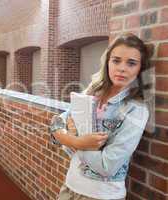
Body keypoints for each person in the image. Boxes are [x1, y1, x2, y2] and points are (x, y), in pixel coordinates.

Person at [50, 33, 151, 200]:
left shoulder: (135, 109)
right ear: (108, 62)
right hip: (69, 188)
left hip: (101, 195)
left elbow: (107, 166)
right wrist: (76, 141)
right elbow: (57, 122)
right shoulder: (92, 92)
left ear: (140, 69)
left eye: (131, 63)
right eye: (116, 60)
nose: (122, 68)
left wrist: (69, 138)